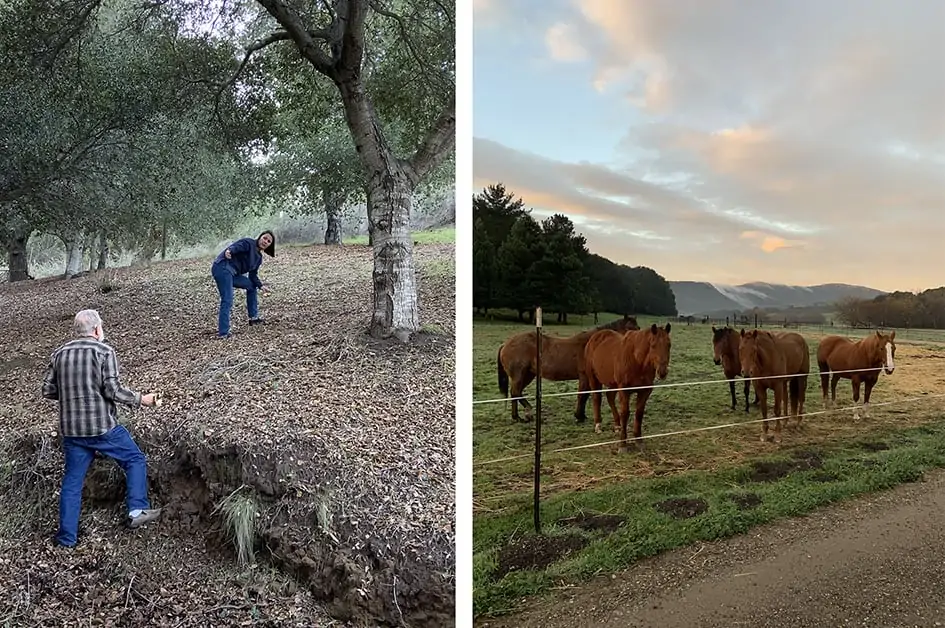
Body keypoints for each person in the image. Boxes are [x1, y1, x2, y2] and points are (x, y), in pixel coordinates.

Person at [41, 309, 162, 548]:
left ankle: (66, 539)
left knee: (72, 482)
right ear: (97, 329)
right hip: (102, 428)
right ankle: (137, 509)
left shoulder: (59, 354)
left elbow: (48, 390)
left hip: (72, 431)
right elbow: (113, 391)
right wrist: (142, 399)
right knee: (135, 459)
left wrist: (72, 394)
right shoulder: (104, 351)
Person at [211, 230, 275, 338]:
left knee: (251, 286)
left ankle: (253, 318)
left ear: (269, 245)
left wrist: (261, 285)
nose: (265, 241)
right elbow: (236, 247)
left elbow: (253, 276)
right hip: (222, 268)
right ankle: (223, 332)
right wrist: (229, 251)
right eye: (265, 238)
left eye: (268, 241)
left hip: (233, 274)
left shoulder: (258, 258)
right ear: (260, 237)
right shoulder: (248, 243)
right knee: (227, 299)